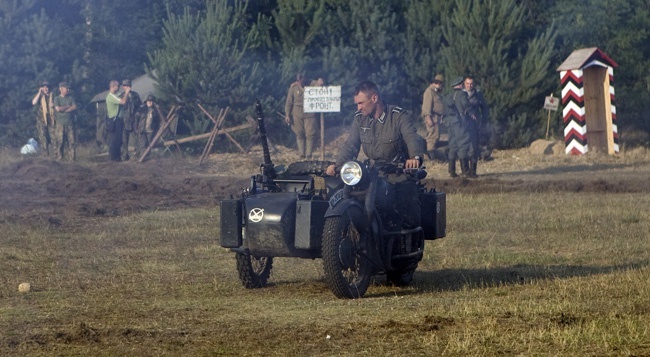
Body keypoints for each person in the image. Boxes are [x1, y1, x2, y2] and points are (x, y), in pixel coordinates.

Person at [325, 81, 424, 228]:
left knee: (406, 197)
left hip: (397, 173)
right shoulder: (360, 119)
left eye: (361, 103)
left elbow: (412, 137)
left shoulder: (397, 116)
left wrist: (414, 158)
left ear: (374, 98)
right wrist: (337, 165)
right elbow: (351, 145)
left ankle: (407, 239)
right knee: (345, 191)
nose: (358, 107)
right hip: (372, 174)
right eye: (357, 104)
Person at [284, 73, 317, 159]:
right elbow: (289, 102)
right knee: (299, 133)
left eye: (302, 80)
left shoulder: (312, 83)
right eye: (298, 80)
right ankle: (302, 154)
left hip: (310, 112)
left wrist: (320, 83)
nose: (300, 82)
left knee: (310, 134)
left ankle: (309, 154)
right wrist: (287, 114)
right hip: (297, 113)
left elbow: (320, 87)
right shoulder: (293, 87)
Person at [444, 77, 471, 178]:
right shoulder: (462, 94)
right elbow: (466, 106)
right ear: (460, 84)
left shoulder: (449, 95)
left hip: (450, 123)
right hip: (459, 122)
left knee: (453, 146)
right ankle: (465, 171)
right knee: (463, 144)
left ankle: (451, 171)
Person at [463, 76, 490, 177]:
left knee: (474, 148)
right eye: (467, 84)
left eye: (471, 84)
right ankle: (465, 171)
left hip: (475, 125)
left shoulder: (478, 94)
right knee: (464, 148)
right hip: (463, 125)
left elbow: (485, 109)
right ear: (464, 84)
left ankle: (473, 171)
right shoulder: (460, 94)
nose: (469, 86)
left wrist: (483, 122)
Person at [50, 82, 78, 161]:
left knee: (71, 142)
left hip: (70, 124)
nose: (68, 90)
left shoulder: (70, 98)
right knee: (60, 142)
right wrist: (68, 106)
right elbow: (58, 109)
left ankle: (72, 159)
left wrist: (65, 109)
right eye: (66, 88)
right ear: (61, 89)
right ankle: (60, 159)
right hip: (60, 124)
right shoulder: (57, 99)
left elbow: (74, 107)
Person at [421, 74, 445, 157]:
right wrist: (428, 117)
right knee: (432, 138)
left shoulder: (435, 92)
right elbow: (427, 106)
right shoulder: (429, 91)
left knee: (436, 136)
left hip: (436, 118)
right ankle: (431, 157)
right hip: (432, 118)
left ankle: (432, 155)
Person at [105, 80, 130, 162]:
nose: (119, 87)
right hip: (115, 121)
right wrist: (126, 92)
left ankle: (117, 157)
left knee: (118, 139)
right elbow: (123, 101)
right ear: (113, 86)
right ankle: (114, 158)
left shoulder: (114, 96)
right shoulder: (111, 96)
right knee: (115, 140)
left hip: (117, 120)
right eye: (117, 86)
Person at [120, 79, 142, 161]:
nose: (127, 87)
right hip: (125, 121)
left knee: (137, 137)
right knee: (124, 140)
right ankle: (125, 155)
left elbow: (140, 106)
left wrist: (138, 113)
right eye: (126, 86)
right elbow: (120, 107)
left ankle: (137, 154)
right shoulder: (121, 96)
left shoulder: (135, 95)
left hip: (134, 120)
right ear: (123, 87)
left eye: (129, 86)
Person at [31, 81, 53, 157]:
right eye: (44, 87)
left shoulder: (52, 95)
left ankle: (57, 155)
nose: (45, 88)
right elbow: (33, 102)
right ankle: (45, 155)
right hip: (42, 120)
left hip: (51, 120)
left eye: (47, 87)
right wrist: (39, 93)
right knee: (43, 139)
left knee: (54, 138)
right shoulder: (40, 96)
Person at [136, 94, 161, 158]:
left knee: (149, 145)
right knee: (143, 144)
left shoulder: (155, 111)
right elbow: (136, 119)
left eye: (151, 101)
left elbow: (158, 121)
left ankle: (148, 158)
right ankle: (142, 158)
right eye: (148, 101)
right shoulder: (142, 109)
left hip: (151, 130)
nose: (149, 102)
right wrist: (136, 128)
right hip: (142, 130)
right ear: (146, 101)